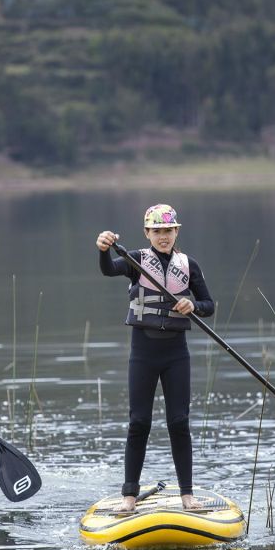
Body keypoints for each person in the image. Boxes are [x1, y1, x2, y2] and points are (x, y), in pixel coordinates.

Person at [96, 204, 215, 511]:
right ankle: (129, 497)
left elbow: (208, 304)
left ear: (177, 231)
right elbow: (109, 269)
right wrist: (103, 249)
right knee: (139, 422)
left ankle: (187, 495)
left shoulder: (189, 265)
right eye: (158, 231)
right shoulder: (135, 260)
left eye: (169, 231)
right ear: (147, 233)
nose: (164, 237)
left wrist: (193, 305)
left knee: (179, 422)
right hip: (143, 355)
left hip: (177, 355)